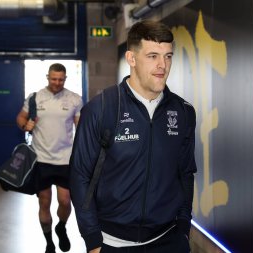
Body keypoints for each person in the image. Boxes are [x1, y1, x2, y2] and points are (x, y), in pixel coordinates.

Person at [69, 20, 197, 253]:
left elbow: (186, 173)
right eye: (152, 56)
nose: (162, 65)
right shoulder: (101, 109)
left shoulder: (183, 112)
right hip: (112, 242)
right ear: (131, 58)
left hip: (168, 240)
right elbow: (79, 176)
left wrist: (184, 230)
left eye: (168, 56)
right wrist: (92, 240)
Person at [17, 63, 83, 253]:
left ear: (65, 78)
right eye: (53, 79)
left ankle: (61, 226)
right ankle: (49, 243)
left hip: (65, 159)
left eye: (61, 79)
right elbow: (20, 118)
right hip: (41, 159)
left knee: (65, 201)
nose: (57, 82)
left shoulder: (74, 99)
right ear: (47, 77)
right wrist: (25, 126)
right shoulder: (35, 98)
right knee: (44, 202)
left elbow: (80, 127)